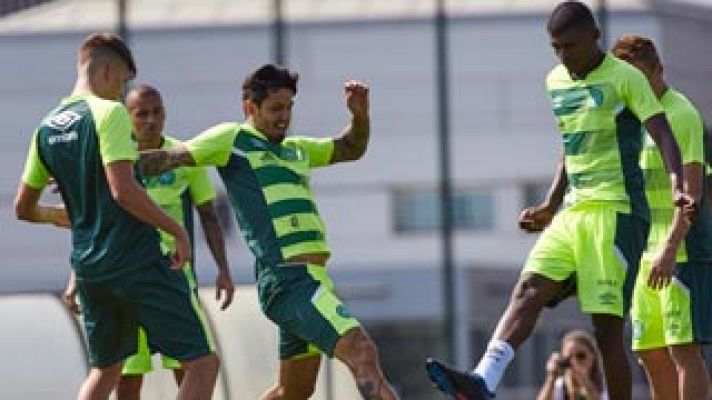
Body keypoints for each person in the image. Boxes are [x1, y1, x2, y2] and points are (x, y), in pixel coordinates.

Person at [425, 2, 693, 400]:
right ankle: (483, 379)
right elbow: (571, 146)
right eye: (555, 48)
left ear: (594, 38)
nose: (563, 55)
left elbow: (662, 133)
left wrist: (676, 186)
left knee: (605, 330)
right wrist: (551, 205)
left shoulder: (625, 78)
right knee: (529, 288)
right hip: (573, 212)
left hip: (618, 213)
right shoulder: (555, 81)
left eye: (569, 46)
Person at [138, 64, 399, 399]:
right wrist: (96, 172)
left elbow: (351, 147)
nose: (284, 116)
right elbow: (166, 158)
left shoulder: (297, 148)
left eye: (289, 107)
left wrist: (360, 116)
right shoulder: (234, 140)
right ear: (250, 107)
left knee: (293, 392)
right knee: (362, 352)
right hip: (289, 281)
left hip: (312, 279)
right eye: (276, 108)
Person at [13, 32, 219, 400]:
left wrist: (60, 217)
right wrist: (177, 231)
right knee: (203, 363)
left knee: (106, 370)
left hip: (90, 267)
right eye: (124, 83)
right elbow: (123, 190)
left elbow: (23, 208)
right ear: (108, 71)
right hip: (135, 259)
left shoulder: (45, 127)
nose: (123, 93)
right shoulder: (108, 114)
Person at [63, 84, 235, 399]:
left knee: (190, 367)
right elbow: (93, 225)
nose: (150, 120)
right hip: (126, 279)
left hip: (173, 279)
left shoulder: (183, 156)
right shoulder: (113, 163)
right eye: (141, 114)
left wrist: (223, 269)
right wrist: (76, 276)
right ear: (126, 118)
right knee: (127, 380)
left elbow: (208, 215)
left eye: (157, 112)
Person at [612, 35, 712, 400]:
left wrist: (669, 249)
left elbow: (694, 194)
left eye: (641, 76)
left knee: (683, 349)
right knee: (649, 351)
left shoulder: (682, 115)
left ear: (659, 70)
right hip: (643, 255)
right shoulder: (632, 119)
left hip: (680, 252)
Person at [537, 329, 609, 400]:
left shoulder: (605, 386)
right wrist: (552, 377)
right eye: (568, 358)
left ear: (593, 357)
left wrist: (585, 381)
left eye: (581, 356)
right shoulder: (560, 386)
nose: (575, 362)